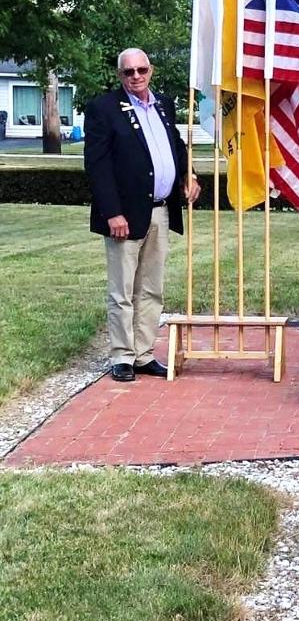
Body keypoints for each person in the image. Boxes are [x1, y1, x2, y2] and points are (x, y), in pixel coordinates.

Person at [84, 49, 200, 382]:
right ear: (119, 75)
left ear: (151, 70)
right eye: (128, 71)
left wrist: (187, 175)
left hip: (160, 211)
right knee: (123, 289)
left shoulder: (163, 103)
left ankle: (144, 353)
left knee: (151, 288)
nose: (136, 76)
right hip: (124, 215)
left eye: (142, 70)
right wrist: (112, 213)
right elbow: (97, 166)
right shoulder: (103, 109)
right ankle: (122, 355)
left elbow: (176, 146)